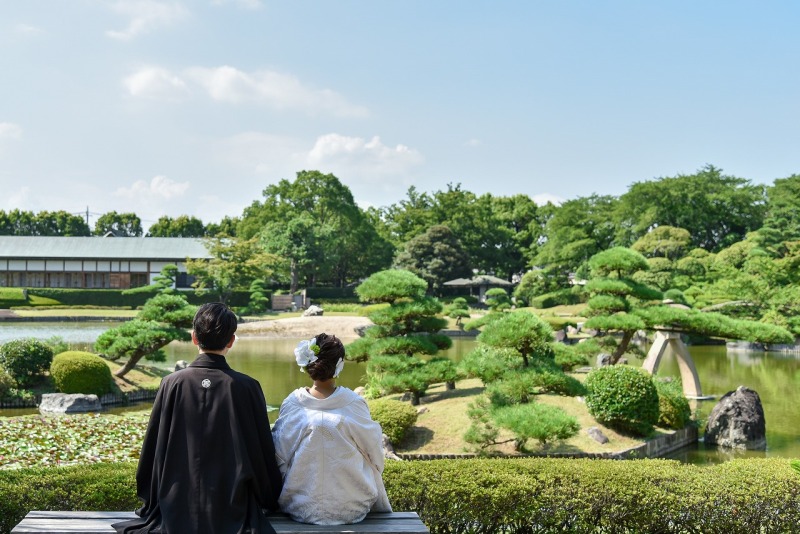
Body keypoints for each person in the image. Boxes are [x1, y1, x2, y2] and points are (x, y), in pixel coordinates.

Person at [113, 302, 283, 534]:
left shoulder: (171, 383)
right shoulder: (247, 386)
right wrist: (269, 497)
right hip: (233, 507)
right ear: (231, 341)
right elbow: (261, 452)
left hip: (175, 506)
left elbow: (153, 450)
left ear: (194, 338)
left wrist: (152, 500)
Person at [271, 333, 392, 525]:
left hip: (301, 507)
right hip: (352, 507)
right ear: (339, 365)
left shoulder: (293, 403)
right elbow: (375, 455)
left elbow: (278, 456)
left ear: (307, 365)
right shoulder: (353, 403)